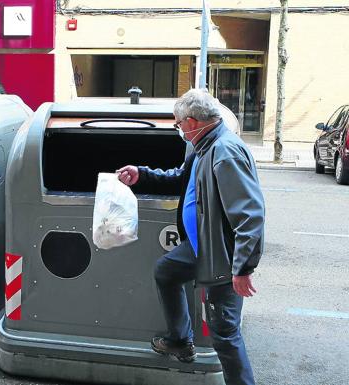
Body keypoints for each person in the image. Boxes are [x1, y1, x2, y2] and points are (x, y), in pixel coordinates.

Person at [117, 89, 264, 385]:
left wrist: (243, 268)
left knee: (225, 334)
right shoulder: (201, 146)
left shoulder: (224, 152)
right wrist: (141, 174)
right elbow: (179, 178)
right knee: (166, 271)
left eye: (179, 124)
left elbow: (250, 214)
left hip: (221, 255)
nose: (179, 129)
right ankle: (180, 340)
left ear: (193, 121)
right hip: (199, 247)